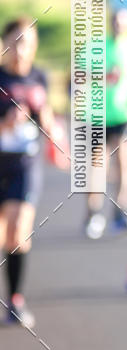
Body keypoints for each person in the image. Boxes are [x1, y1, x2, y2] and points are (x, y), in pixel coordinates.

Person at [0, 17, 67, 328]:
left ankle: (15, 300)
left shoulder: (40, 77)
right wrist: (6, 123)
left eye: (26, 42)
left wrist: (56, 137)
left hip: (25, 165)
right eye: (15, 41)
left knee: (19, 231)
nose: (20, 49)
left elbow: (48, 119)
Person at [83, 8, 127, 239]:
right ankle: (93, 212)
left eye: (123, 23)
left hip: (125, 114)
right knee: (97, 165)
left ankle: (120, 211)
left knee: (125, 163)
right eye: (115, 22)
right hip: (97, 114)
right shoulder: (94, 47)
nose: (118, 26)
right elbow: (78, 77)